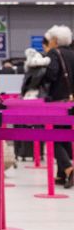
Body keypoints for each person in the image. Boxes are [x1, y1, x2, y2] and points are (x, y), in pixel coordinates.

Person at [44, 25, 74, 188]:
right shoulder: (72, 54)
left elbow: (51, 74)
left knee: (52, 137)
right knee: (65, 135)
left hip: (58, 101)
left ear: (55, 40)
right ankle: (61, 175)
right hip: (71, 102)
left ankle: (69, 169)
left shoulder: (54, 53)